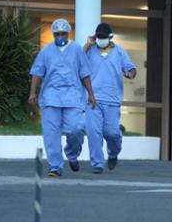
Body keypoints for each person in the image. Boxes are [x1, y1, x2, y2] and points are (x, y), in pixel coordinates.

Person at [29, 19, 96, 177]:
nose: (60, 36)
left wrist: (91, 95)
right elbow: (37, 72)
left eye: (63, 33)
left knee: (76, 128)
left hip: (73, 96)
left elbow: (84, 73)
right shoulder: (46, 51)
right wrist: (33, 92)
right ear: (53, 35)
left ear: (68, 33)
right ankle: (55, 166)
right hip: (50, 97)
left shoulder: (77, 50)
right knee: (51, 133)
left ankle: (72, 154)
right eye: (57, 34)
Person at [83, 22, 136, 174]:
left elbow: (130, 67)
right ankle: (97, 163)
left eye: (103, 37)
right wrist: (88, 43)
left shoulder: (119, 52)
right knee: (93, 132)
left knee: (111, 133)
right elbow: (77, 60)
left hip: (112, 100)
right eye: (98, 37)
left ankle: (113, 153)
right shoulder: (90, 51)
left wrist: (130, 73)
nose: (101, 39)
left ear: (110, 37)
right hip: (93, 100)